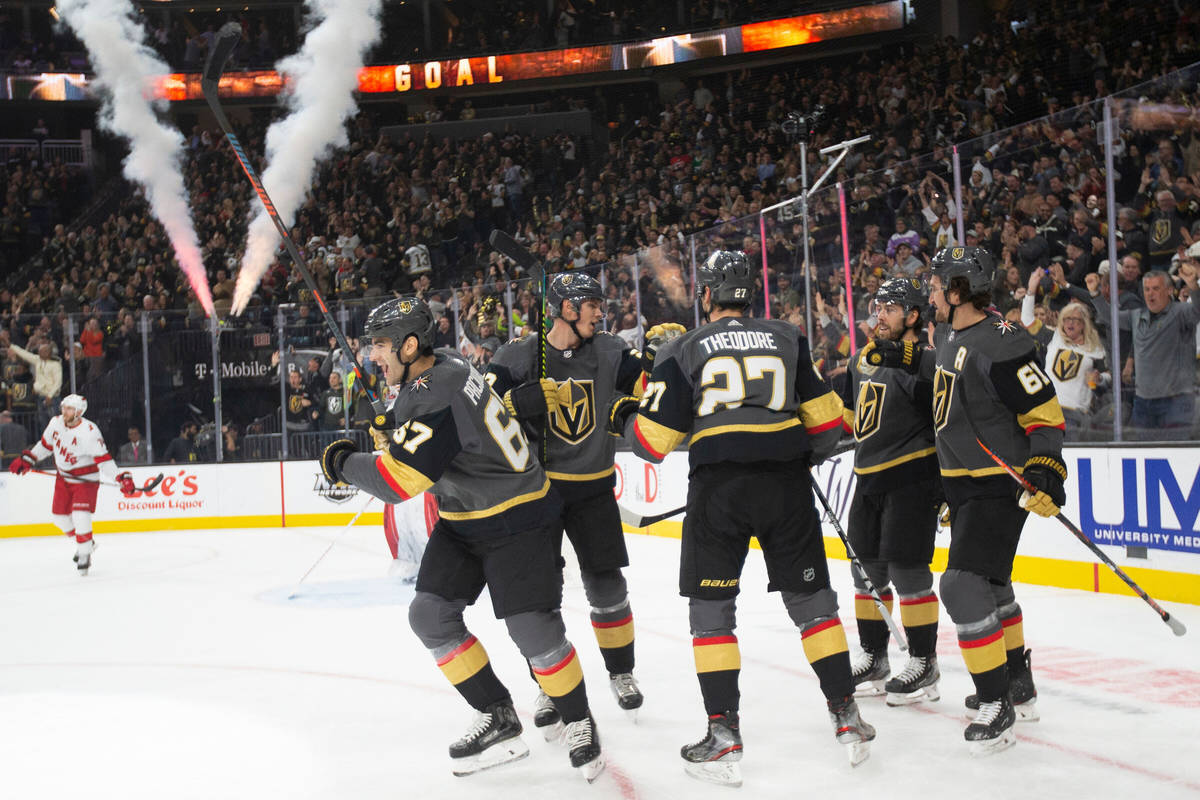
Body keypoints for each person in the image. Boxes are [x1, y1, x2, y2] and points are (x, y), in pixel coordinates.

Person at [608, 251, 873, 786]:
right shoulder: (788, 336)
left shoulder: (684, 347)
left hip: (720, 492)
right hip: (785, 488)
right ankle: (847, 716)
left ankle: (723, 733)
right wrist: (795, 454)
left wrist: (624, 411)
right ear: (748, 293)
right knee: (813, 605)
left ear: (707, 294)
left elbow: (652, 444)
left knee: (712, 613)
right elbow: (828, 426)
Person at [318, 296, 604, 780]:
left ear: (410, 345)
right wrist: (398, 425)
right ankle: (498, 714)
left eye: (381, 345)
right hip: (464, 517)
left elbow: (398, 482)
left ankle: (579, 720)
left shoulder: (434, 392)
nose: (373, 355)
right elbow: (446, 430)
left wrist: (341, 462)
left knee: (532, 631)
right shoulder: (445, 364)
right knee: (429, 615)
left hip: (518, 517)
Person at [862, 246, 1067, 755]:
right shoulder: (953, 334)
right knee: (993, 585)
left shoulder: (1004, 340)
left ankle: (996, 704)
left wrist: (1046, 464)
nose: (929, 294)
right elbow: (950, 370)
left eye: (936, 287)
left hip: (996, 483)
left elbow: (1043, 408)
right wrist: (908, 357)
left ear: (957, 293)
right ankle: (1017, 684)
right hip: (963, 484)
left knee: (960, 585)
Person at [487, 272, 656, 736]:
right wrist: (517, 402)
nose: (601, 313)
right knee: (540, 594)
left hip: (593, 489)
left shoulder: (610, 350)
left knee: (607, 585)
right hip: (537, 493)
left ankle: (621, 672)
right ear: (566, 308)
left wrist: (662, 357)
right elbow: (481, 412)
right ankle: (549, 685)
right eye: (593, 305)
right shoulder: (518, 355)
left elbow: (648, 386)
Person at [839, 278, 943, 706]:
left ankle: (924, 661)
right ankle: (874, 657)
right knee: (865, 573)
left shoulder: (927, 361)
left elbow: (945, 419)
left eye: (890, 308)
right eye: (877, 307)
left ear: (913, 315)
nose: (879, 315)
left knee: (909, 572)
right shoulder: (861, 360)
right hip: (867, 478)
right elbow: (849, 419)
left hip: (912, 476)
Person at [7, 394, 137, 573]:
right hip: (64, 477)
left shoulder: (89, 432)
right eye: (64, 407)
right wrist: (28, 459)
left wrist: (120, 478)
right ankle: (87, 542)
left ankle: (84, 553)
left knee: (80, 514)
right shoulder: (55, 423)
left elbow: (104, 460)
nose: (64, 411)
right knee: (59, 518)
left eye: (69, 409)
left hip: (85, 479)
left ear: (79, 412)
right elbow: (45, 446)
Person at [1095, 265, 1200, 439]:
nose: (1150, 294)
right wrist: (1095, 295)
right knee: (1144, 451)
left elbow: (1198, 310)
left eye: (1156, 288)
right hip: (1143, 402)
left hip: (1176, 401)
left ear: (1169, 291)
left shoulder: (1181, 312)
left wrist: (1193, 286)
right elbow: (1110, 317)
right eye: (1147, 289)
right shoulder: (1136, 315)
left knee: (1174, 450)